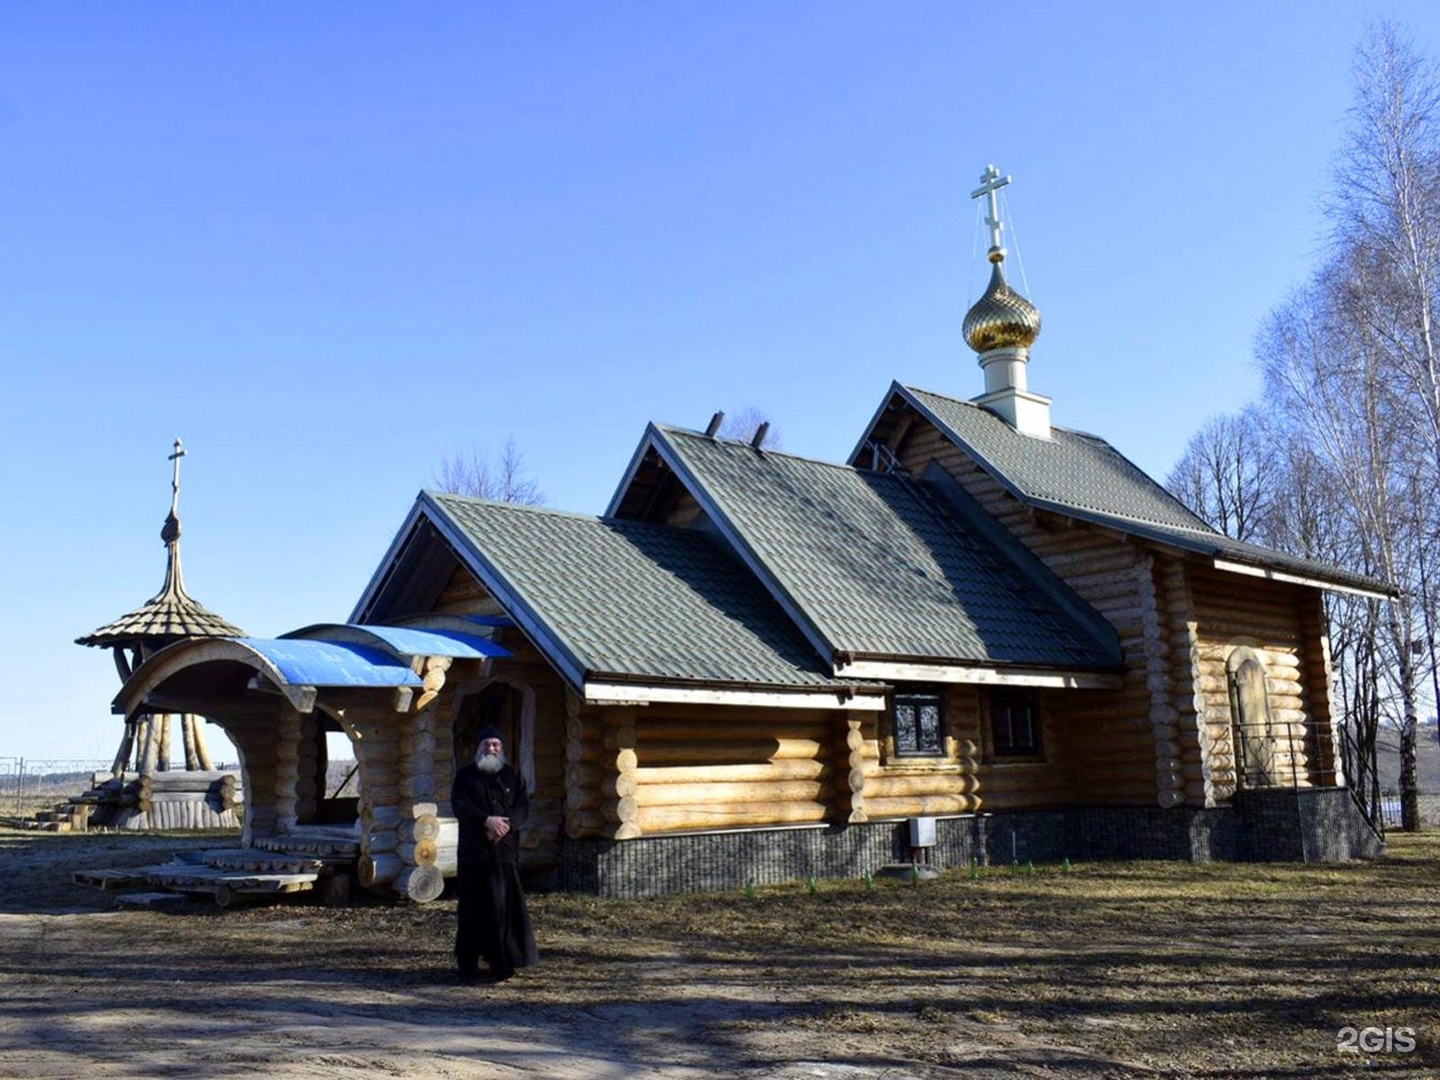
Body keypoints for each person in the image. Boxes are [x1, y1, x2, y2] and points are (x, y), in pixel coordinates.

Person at [450, 726, 539, 982]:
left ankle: (502, 965)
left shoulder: (512, 776)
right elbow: (460, 805)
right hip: (473, 855)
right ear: (479, 748)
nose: (491, 749)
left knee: (502, 911)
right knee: (471, 911)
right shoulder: (465, 776)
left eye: (495, 745)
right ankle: (467, 966)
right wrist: (486, 821)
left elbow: (522, 806)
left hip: (503, 855)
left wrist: (506, 825)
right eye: (487, 745)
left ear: (501, 749)